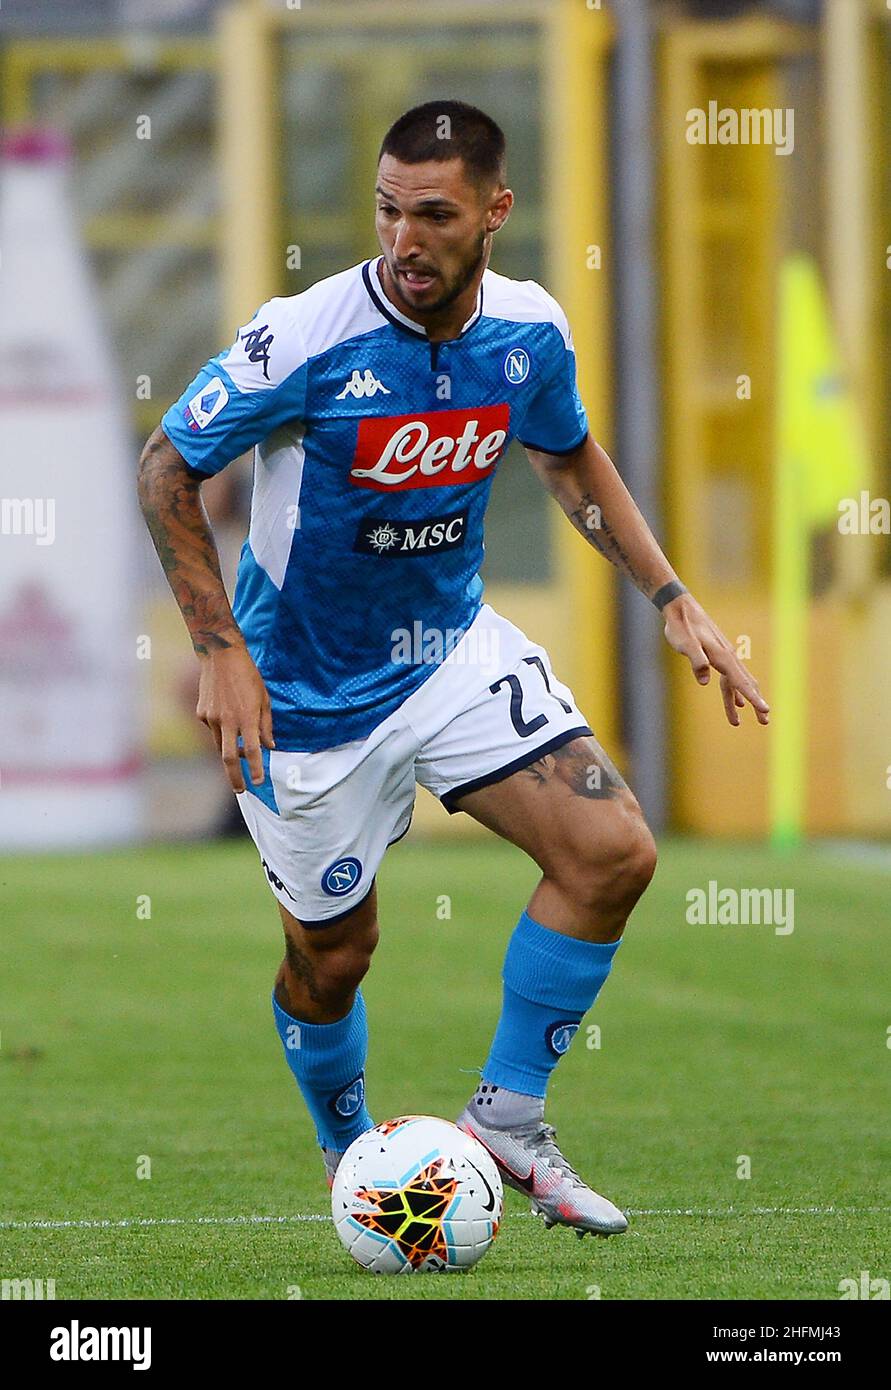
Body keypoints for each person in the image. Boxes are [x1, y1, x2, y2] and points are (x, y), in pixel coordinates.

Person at [138, 100, 769, 1239]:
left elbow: (564, 447)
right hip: (307, 697)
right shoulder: (307, 336)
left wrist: (673, 598)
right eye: (387, 211)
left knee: (612, 848)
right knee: (335, 959)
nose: (403, 240)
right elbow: (164, 468)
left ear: (495, 212)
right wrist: (221, 650)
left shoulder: (526, 330)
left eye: (433, 214)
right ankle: (353, 1158)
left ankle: (510, 1118)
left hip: (450, 654)